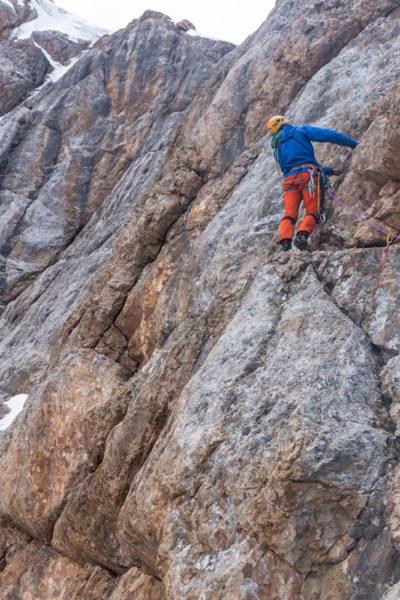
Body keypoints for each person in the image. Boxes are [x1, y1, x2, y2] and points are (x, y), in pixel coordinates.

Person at [267, 116, 358, 251]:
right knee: (313, 211)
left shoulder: (277, 150)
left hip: (290, 182)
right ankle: (302, 236)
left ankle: (286, 242)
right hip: (307, 176)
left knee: (290, 214)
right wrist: (353, 144)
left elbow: (293, 168)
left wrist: (331, 171)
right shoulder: (300, 131)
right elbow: (329, 135)